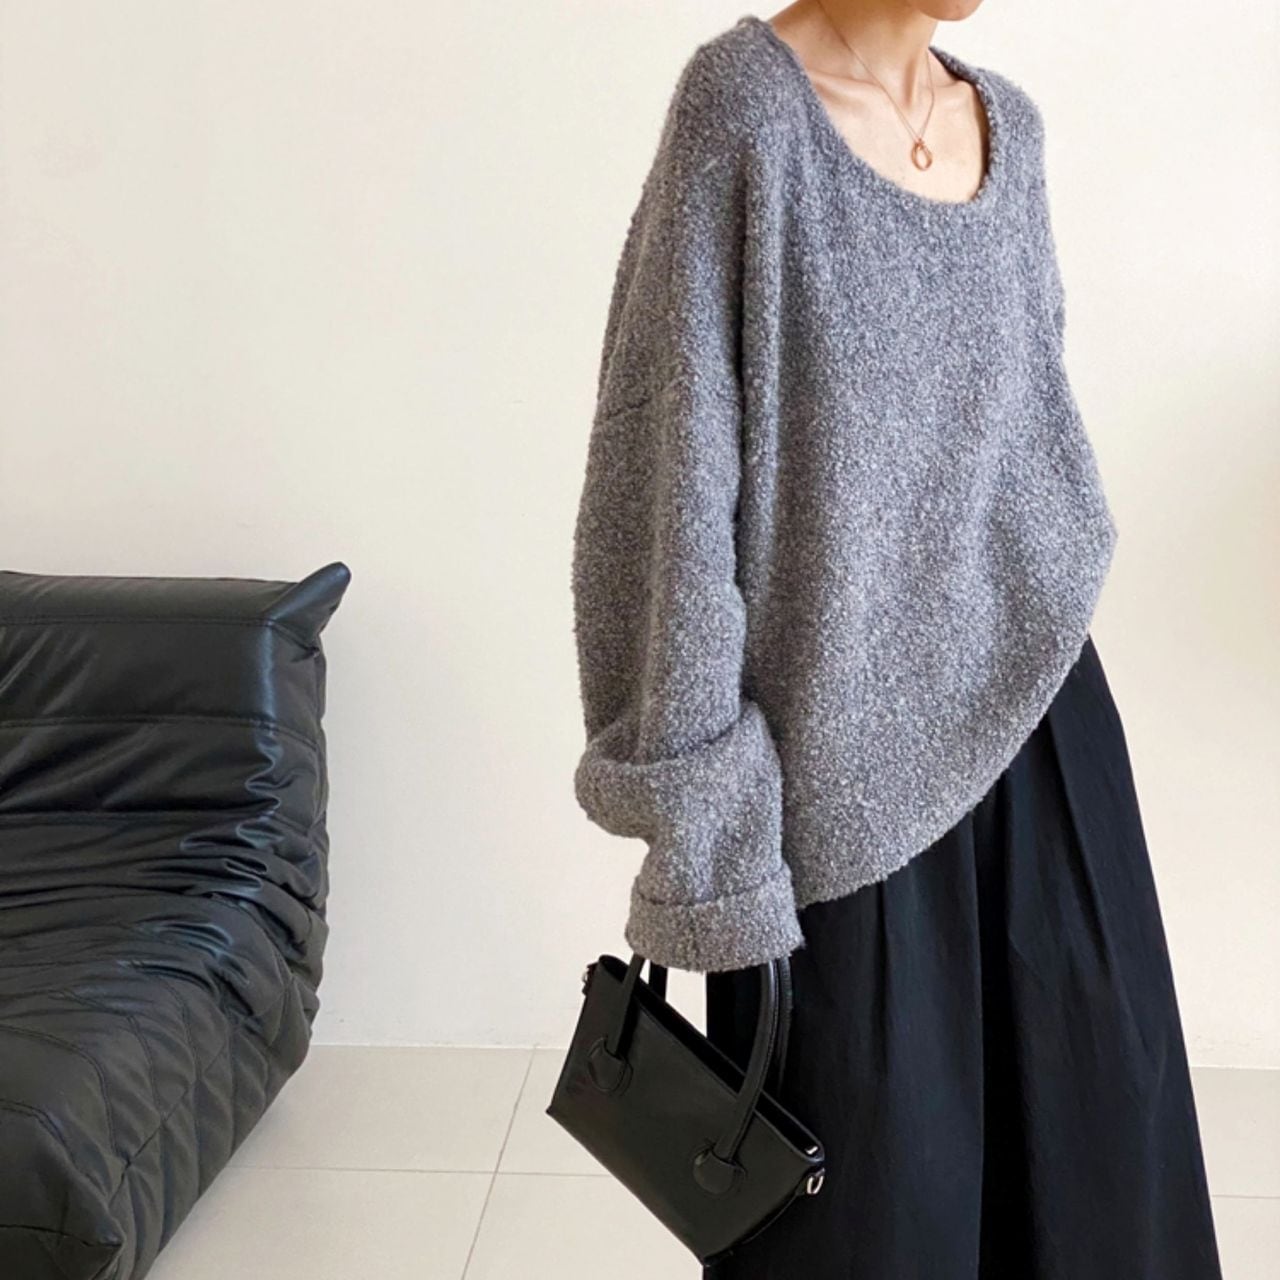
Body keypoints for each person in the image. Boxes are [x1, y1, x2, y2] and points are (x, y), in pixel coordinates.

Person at [568, 2, 1223, 1275]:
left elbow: (1030, 441)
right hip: (837, 801)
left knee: (1103, 1199)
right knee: (872, 1227)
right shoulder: (741, 113)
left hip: (1045, 751)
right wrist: (706, 835)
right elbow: (660, 500)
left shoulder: (1009, 130)